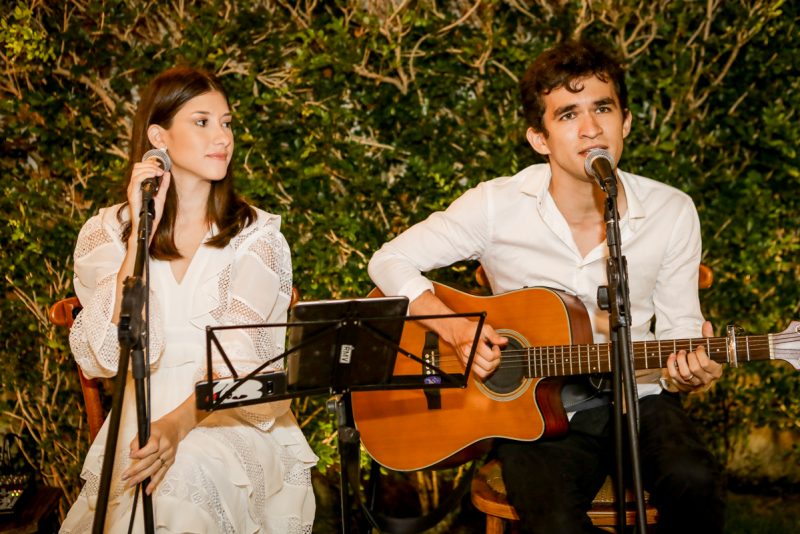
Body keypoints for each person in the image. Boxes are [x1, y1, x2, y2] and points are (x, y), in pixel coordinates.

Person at [368, 40, 725, 532]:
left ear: (626, 122)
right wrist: (453, 328)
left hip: (640, 397)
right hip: (534, 414)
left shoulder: (671, 211)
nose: (591, 128)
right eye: (568, 114)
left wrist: (690, 372)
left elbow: (681, 328)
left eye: (603, 108)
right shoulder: (495, 206)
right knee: (554, 521)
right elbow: (389, 260)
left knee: (696, 483)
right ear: (539, 138)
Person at [61, 67, 318, 533]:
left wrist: (177, 428)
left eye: (227, 123)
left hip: (230, 423)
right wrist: (139, 234)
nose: (222, 137)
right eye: (202, 122)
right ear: (158, 137)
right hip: (138, 425)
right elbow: (105, 357)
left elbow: (243, 375)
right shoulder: (107, 233)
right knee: (147, 491)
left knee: (181, 479)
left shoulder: (255, 236)